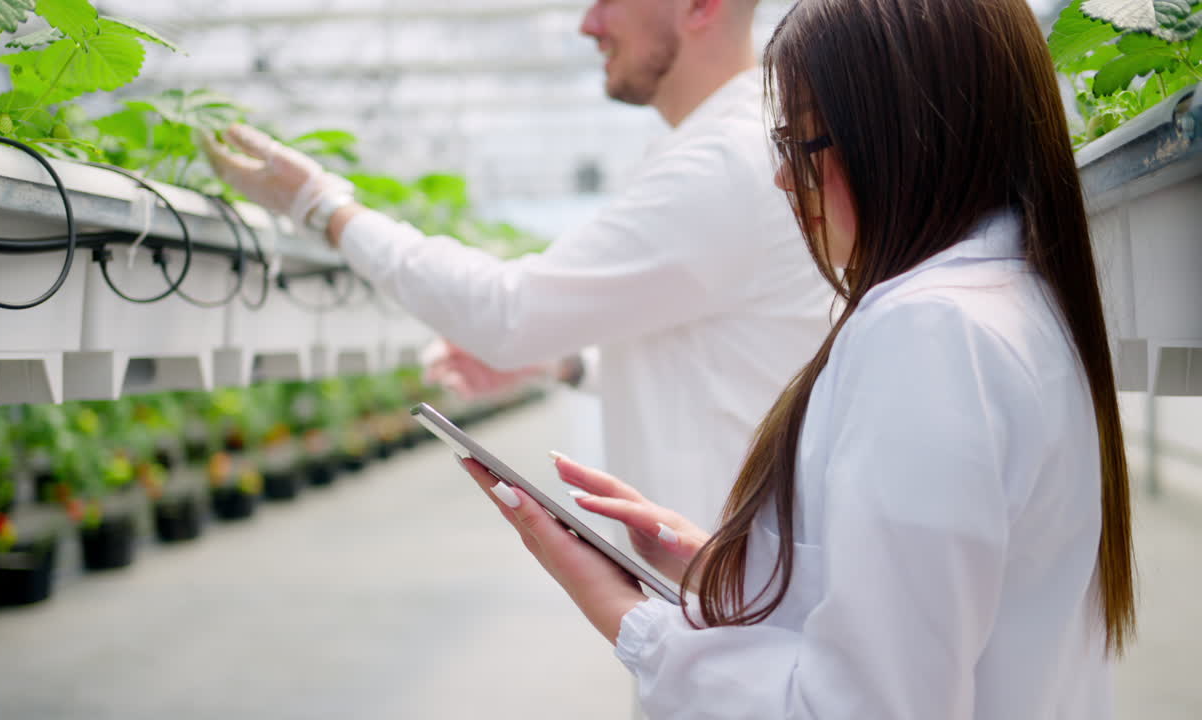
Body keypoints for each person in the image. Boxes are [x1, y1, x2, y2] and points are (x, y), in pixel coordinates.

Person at [457, 0, 1138, 717]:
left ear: (902, 136)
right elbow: (927, 598)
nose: (786, 178)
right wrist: (724, 569)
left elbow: (865, 705)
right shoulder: (1008, 300)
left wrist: (630, 620)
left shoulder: (929, 333)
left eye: (801, 141)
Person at [203, 0, 833, 533]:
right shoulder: (726, 149)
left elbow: (509, 311)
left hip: (733, 584)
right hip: (728, 570)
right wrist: (562, 363)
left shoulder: (721, 161)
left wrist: (323, 208)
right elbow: (717, 359)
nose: (589, 24)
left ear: (700, 5)